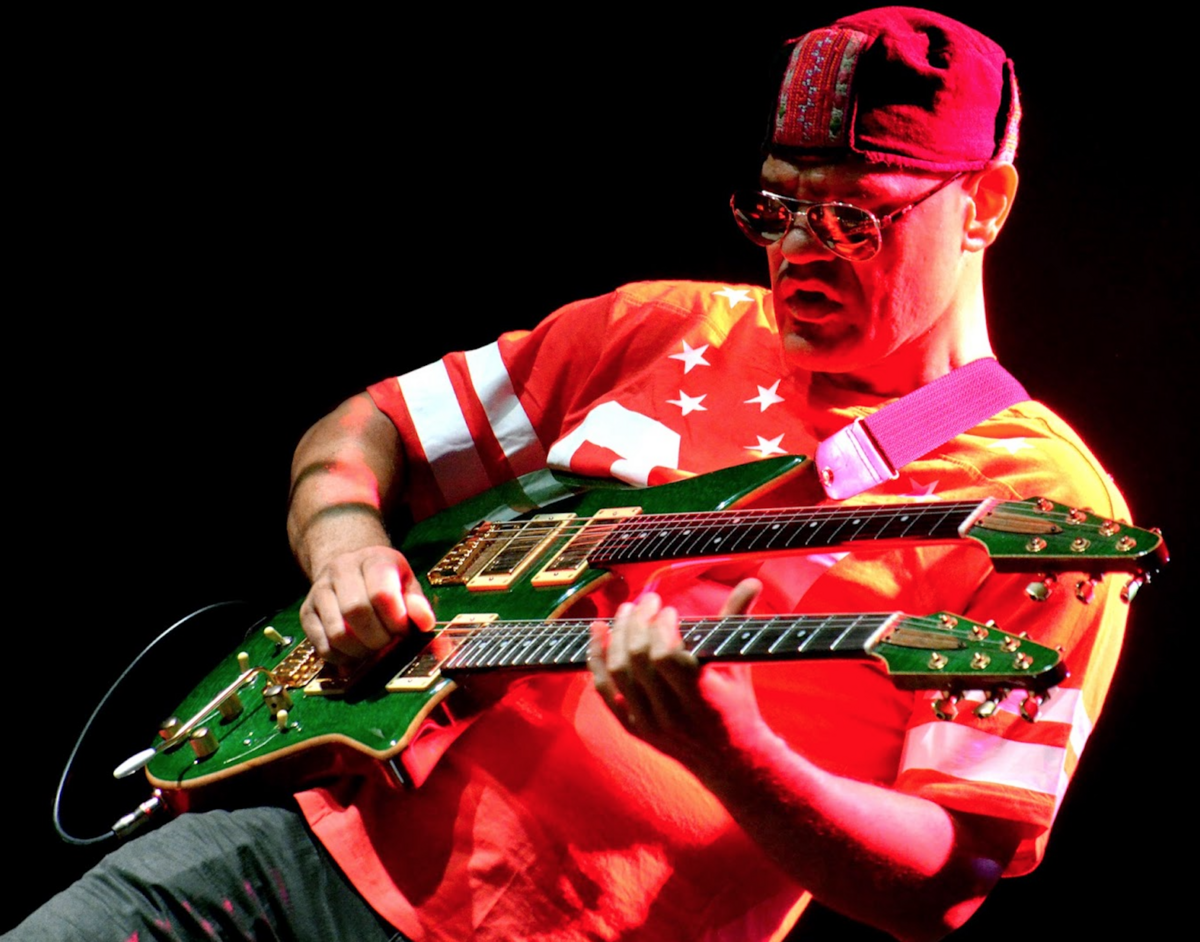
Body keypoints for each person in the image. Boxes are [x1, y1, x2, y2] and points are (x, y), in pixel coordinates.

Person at [7, 7, 1134, 942]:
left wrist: (734, 750)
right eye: (777, 205)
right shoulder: (663, 326)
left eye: (854, 218)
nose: (798, 251)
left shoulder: (1042, 510)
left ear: (984, 205)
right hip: (282, 853)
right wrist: (347, 546)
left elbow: (948, 882)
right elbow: (361, 430)